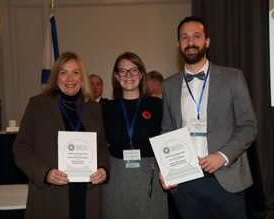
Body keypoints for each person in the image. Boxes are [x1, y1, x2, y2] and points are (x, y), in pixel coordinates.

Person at [160, 16, 258, 219]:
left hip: (226, 178)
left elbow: (249, 126)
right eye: (184, 37)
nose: (190, 42)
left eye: (196, 36)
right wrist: (167, 168)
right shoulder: (168, 85)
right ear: (178, 44)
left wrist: (221, 156)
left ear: (207, 41)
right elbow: (167, 130)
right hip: (185, 183)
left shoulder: (233, 78)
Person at [12, 51, 109, 219]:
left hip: (88, 196)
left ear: (82, 77)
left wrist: (103, 168)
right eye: (63, 73)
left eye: (75, 73)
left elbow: (102, 145)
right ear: (56, 78)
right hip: (51, 196)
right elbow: (21, 149)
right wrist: (45, 173)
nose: (70, 79)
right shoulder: (38, 105)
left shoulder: (94, 108)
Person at [102, 52, 168, 219]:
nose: (128, 75)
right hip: (116, 176)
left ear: (141, 74)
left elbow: (168, 137)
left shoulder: (156, 105)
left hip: (149, 174)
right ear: (116, 76)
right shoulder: (106, 108)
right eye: (123, 71)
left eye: (133, 70)